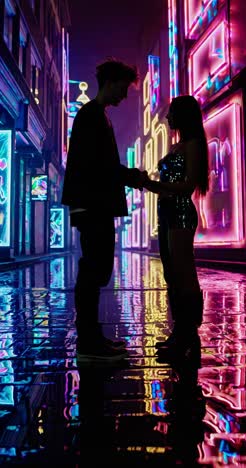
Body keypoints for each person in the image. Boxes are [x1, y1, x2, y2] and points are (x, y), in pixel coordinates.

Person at [61, 58, 147, 362]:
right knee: (93, 269)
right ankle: (88, 341)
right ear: (110, 83)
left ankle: (92, 337)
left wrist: (127, 176)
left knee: (96, 269)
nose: (124, 95)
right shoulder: (91, 115)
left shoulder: (97, 115)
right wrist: (132, 176)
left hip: (95, 203)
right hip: (92, 203)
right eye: (123, 88)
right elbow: (101, 165)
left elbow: (102, 165)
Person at [142, 95, 209, 354]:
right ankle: (179, 331)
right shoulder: (180, 144)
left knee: (183, 274)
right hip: (167, 213)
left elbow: (188, 185)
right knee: (171, 274)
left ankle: (188, 334)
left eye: (171, 113)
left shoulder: (193, 145)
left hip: (180, 213)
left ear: (183, 116)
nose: (167, 117)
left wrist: (153, 185)